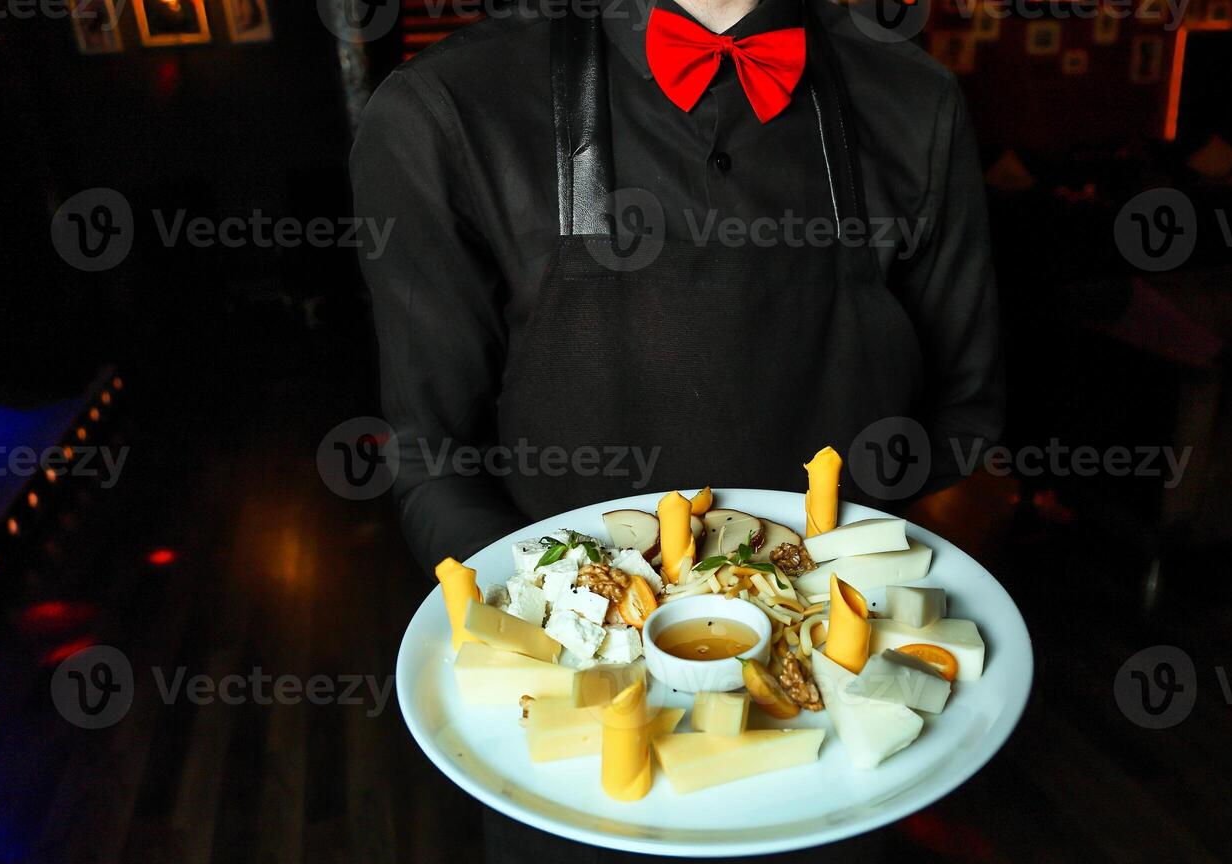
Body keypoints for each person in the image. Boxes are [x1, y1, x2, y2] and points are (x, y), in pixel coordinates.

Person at [351, 0, 1003, 574]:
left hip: (843, 642)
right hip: (585, 662)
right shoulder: (445, 111)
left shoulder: (919, 99)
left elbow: (964, 410)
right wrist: (556, 624)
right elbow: (433, 457)